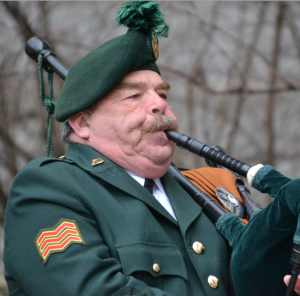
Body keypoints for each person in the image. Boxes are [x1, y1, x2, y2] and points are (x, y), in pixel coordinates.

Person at [3, 1, 299, 296]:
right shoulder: (48, 188)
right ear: (82, 124)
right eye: (133, 96)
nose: (159, 103)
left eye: (162, 93)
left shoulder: (208, 189)